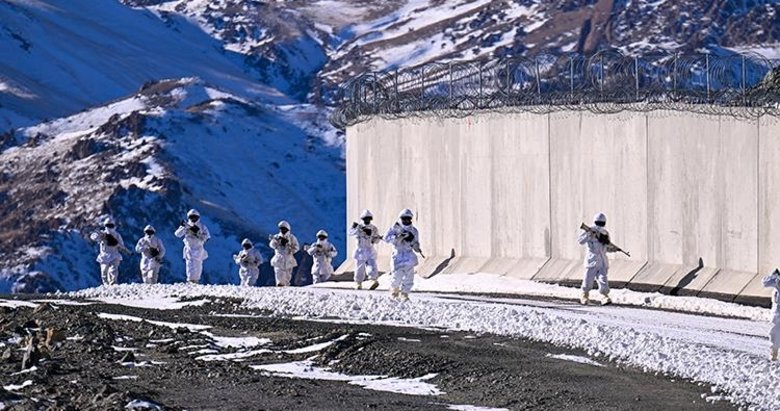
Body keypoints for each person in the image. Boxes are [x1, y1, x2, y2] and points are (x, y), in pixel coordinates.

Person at [577, 212, 619, 305]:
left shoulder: (605, 233)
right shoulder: (590, 231)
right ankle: (584, 295)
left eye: (601, 223)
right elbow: (580, 241)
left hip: (602, 261)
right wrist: (589, 235)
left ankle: (604, 296)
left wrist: (613, 249)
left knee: (603, 280)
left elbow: (605, 247)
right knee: (588, 280)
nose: (600, 225)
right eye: (599, 223)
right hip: (592, 260)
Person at [384, 208, 422, 301]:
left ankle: (405, 293)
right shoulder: (394, 228)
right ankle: (394, 291)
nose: (406, 221)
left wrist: (413, 243)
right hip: (397, 255)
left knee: (409, 276)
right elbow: (386, 238)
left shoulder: (414, 231)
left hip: (409, 255)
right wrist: (397, 237)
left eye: (408, 219)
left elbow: (416, 245)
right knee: (396, 276)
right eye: (404, 218)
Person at [89, 217, 130, 286]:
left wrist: (123, 249)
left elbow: (121, 245)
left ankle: (113, 282)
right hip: (104, 255)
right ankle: (106, 284)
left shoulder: (117, 235)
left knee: (113, 270)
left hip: (114, 255)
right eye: (108, 225)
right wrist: (99, 235)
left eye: (111, 225)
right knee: (104, 271)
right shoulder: (102, 234)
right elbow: (93, 237)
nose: (109, 227)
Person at [174, 209, 210, 284]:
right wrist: (184, 228)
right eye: (191, 217)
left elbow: (207, 237)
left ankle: (196, 281)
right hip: (189, 249)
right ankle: (190, 280)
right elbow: (177, 234)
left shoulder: (202, 226)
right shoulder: (186, 225)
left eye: (195, 217)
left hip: (198, 249)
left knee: (198, 266)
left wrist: (198, 234)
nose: (193, 219)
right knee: (189, 265)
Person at [349, 209, 382, 290]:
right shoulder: (359, 227)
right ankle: (358, 283)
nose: (367, 220)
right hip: (360, 250)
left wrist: (376, 238)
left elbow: (376, 240)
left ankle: (372, 280)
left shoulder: (374, 228)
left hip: (369, 250)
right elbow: (350, 233)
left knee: (372, 265)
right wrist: (355, 227)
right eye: (365, 218)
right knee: (359, 268)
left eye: (368, 218)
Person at [269, 220, 300, 286]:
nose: (282, 230)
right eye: (281, 228)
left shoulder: (292, 238)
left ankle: (286, 288)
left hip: (289, 259)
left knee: (287, 277)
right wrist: (278, 242)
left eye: (284, 229)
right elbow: (272, 245)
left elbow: (296, 247)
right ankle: (280, 285)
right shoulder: (276, 237)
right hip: (279, 259)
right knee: (279, 274)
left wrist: (290, 248)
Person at [763, 269, 780, 360]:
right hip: (777, 311)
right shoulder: (777, 281)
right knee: (775, 332)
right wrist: (776, 278)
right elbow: (765, 282)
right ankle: (774, 353)